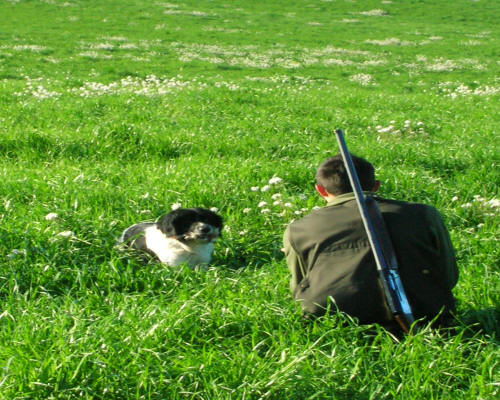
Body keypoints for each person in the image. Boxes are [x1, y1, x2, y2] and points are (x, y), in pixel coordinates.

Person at [283, 154, 459, 330]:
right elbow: (447, 274)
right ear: (376, 186)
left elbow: (300, 286)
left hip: (332, 322)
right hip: (426, 315)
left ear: (320, 190)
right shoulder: (424, 215)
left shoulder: (298, 229)